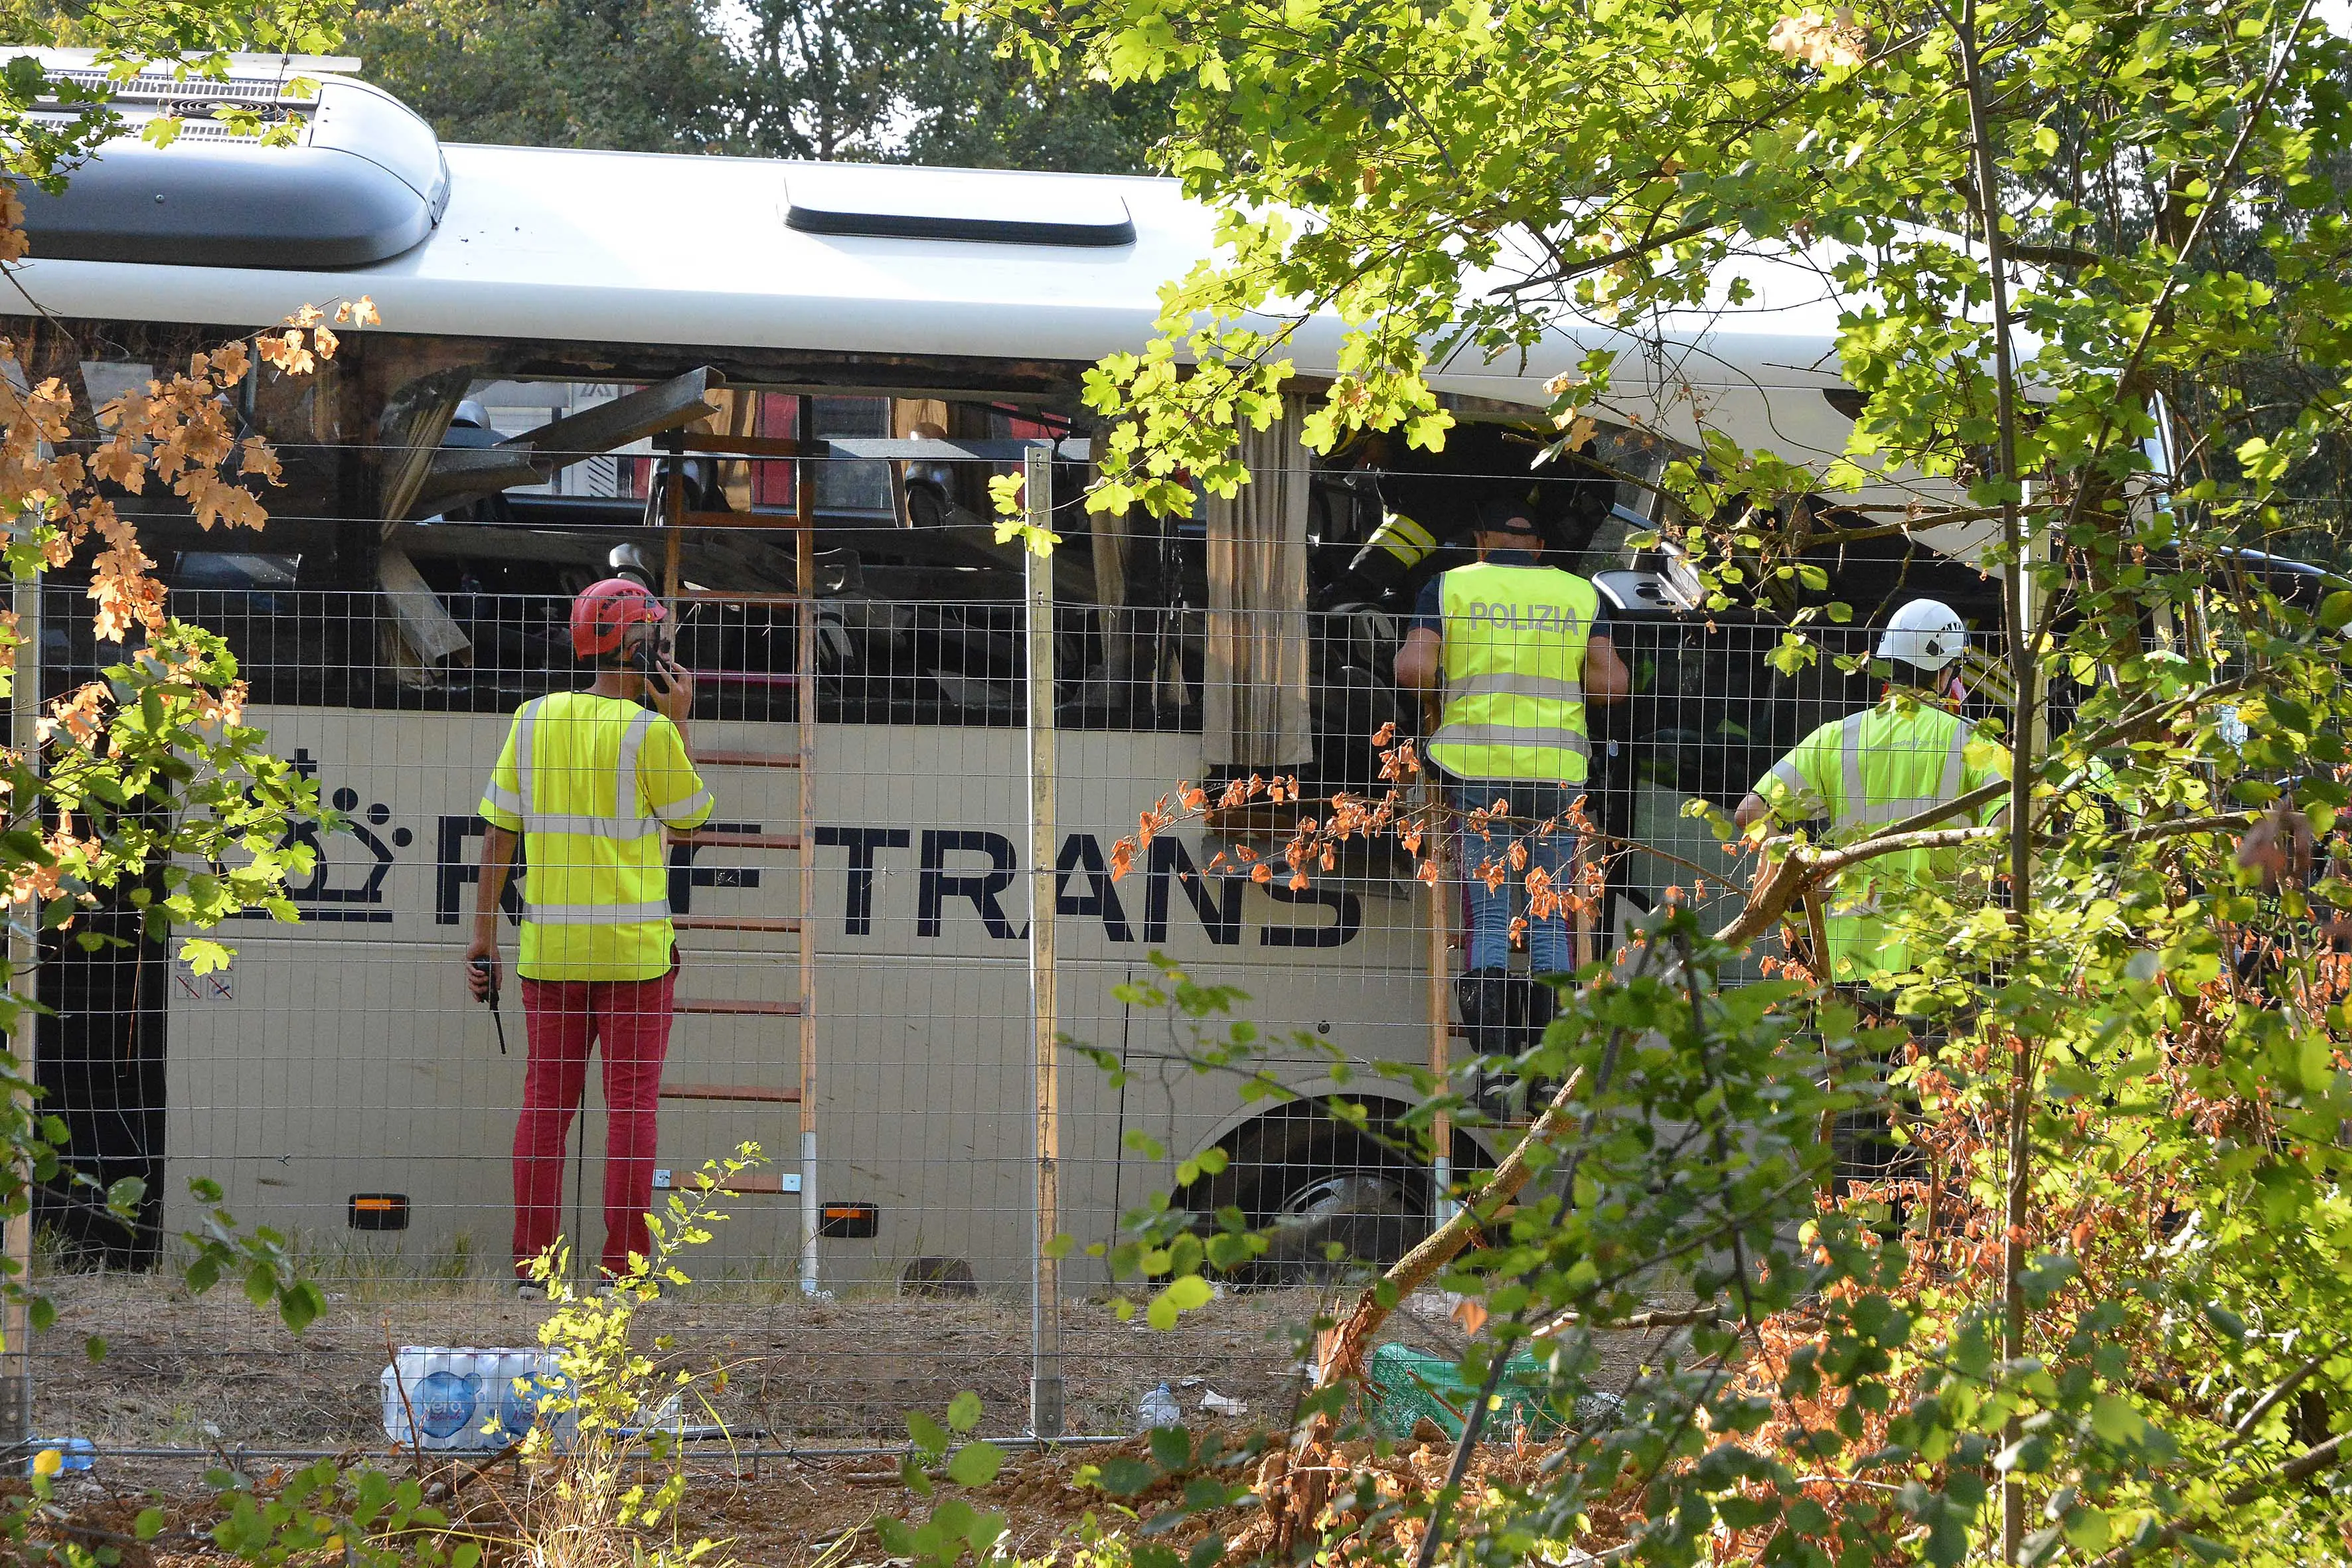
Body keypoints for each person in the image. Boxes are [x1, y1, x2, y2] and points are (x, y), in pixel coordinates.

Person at [465, 579, 712, 1294]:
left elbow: (496, 840)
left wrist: (484, 939)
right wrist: (682, 719)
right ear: (640, 650)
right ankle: (622, 1269)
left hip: (551, 957)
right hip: (636, 961)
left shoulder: (533, 720)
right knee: (631, 1111)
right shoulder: (651, 732)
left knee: (545, 1108)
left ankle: (533, 1268)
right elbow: (690, 826)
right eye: (658, 640)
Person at [1393, 495, 1632, 1061]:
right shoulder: (1579, 593)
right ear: (1541, 548)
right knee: (1550, 913)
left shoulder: (1449, 587)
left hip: (1476, 768)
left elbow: (1412, 668)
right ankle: (1549, 1067)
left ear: (1481, 542)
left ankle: (1497, 1065)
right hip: (1556, 775)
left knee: (1491, 911)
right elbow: (1610, 686)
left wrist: (1440, 698)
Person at [1733, 597, 2011, 985]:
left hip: (1845, 957)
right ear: (1945, 672)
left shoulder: (1836, 737)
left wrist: (1807, 877)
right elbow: (2011, 826)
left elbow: (1751, 813)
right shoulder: (1973, 741)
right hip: (1941, 957)